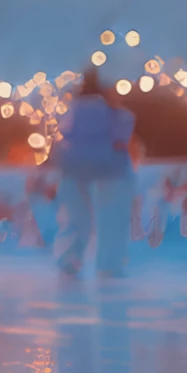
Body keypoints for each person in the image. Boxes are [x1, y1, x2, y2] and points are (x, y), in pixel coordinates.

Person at [53, 67, 136, 280]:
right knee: (112, 219)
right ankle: (109, 264)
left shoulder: (71, 112)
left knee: (77, 219)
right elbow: (120, 141)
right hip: (111, 169)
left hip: (73, 168)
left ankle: (69, 258)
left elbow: (63, 136)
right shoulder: (117, 115)